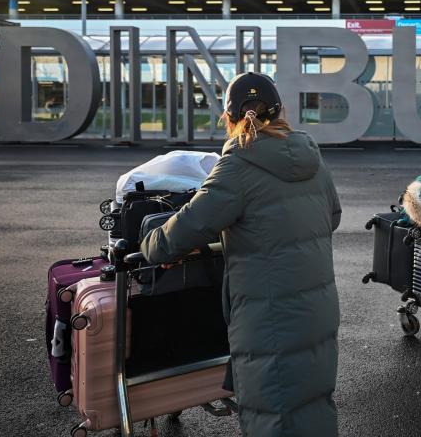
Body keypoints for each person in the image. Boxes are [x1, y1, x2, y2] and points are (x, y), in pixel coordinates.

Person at [140, 72, 343, 435]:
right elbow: (333, 215)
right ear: (280, 113)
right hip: (317, 312)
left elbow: (184, 229)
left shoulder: (238, 163)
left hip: (269, 320)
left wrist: (149, 241)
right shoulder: (310, 154)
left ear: (230, 118)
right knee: (313, 406)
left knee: (273, 415)